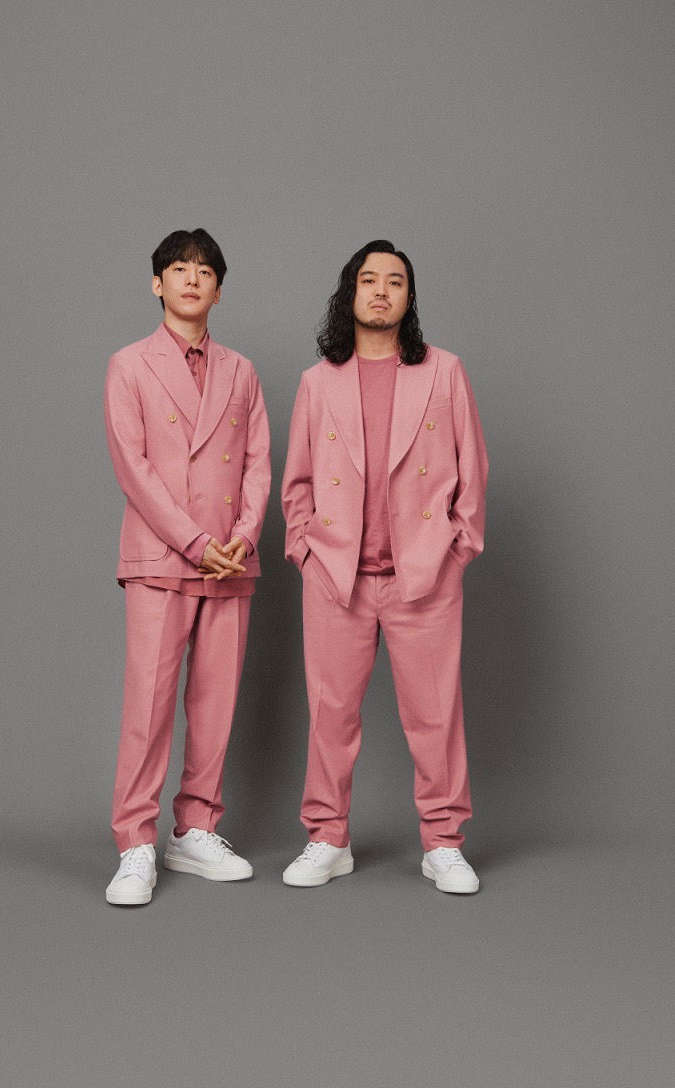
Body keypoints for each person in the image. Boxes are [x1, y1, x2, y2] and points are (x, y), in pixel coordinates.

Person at [281, 240, 488, 893]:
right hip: (336, 575)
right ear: (350, 293)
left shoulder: (444, 371)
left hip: (422, 575)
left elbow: (473, 471)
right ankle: (327, 837)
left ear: (409, 296)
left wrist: (456, 552)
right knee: (330, 714)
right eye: (368, 280)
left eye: (394, 281)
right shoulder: (318, 382)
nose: (380, 291)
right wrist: (305, 551)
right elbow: (297, 483)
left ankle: (443, 843)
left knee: (435, 716)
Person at [104, 229, 271, 905]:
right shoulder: (128, 365)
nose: (192, 279)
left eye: (205, 272)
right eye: (179, 269)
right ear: (158, 284)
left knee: (215, 703)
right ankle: (135, 843)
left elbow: (258, 462)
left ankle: (196, 829)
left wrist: (244, 536)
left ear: (219, 291)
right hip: (162, 556)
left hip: (230, 559)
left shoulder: (242, 371)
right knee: (147, 705)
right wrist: (198, 542)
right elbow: (133, 468)